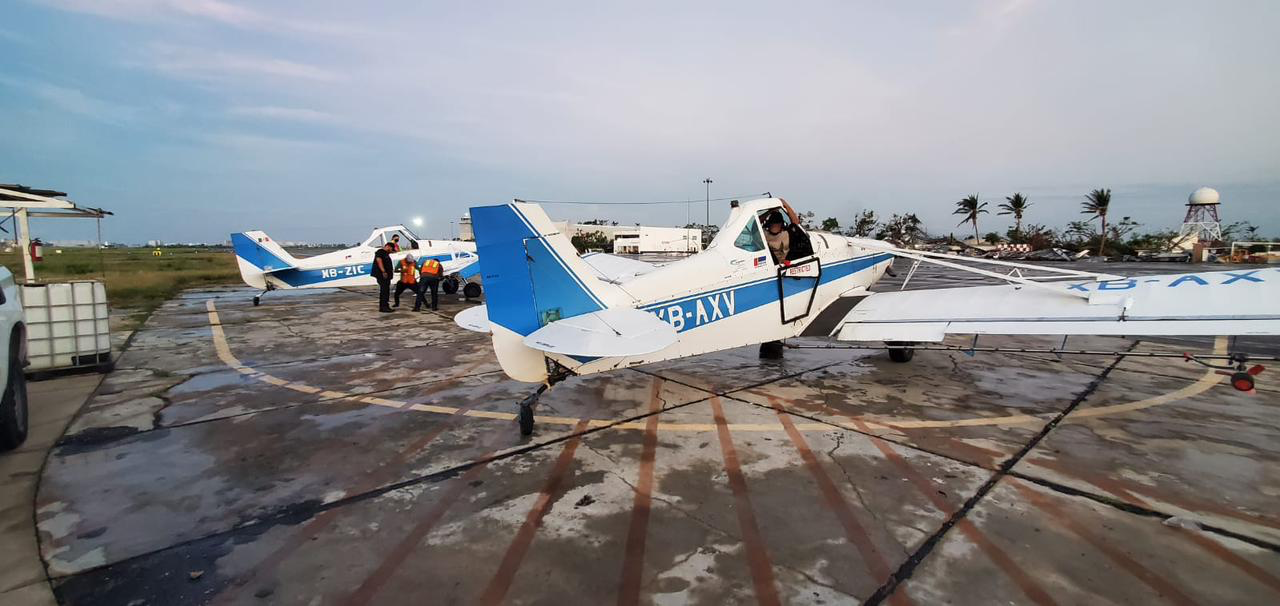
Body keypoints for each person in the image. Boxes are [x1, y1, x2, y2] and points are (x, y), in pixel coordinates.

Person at [762, 197, 812, 264]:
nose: (775, 226)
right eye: (773, 223)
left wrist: (785, 205)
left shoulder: (787, 233)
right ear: (769, 224)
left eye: (777, 223)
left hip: (788, 261)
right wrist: (770, 211)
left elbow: (796, 223)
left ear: (781, 224)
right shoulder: (763, 234)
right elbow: (756, 224)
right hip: (773, 264)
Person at [372, 241, 395, 313]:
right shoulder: (380, 252)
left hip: (386, 276)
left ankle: (384, 306)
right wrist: (383, 271)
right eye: (391, 249)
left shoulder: (386, 254)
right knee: (384, 291)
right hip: (382, 275)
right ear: (388, 246)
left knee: (385, 291)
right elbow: (379, 260)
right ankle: (384, 307)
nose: (391, 251)